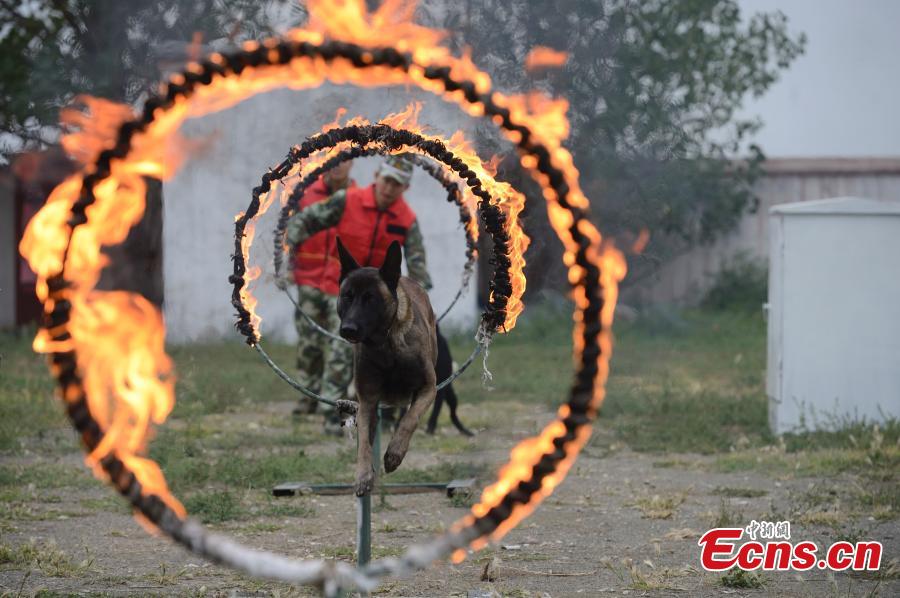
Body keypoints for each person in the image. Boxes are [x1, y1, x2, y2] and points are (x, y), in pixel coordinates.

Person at [285, 155, 433, 427]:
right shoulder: (348, 200)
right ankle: (328, 410)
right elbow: (305, 221)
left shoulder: (406, 219)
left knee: (365, 350)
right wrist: (285, 252)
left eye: (397, 185)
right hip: (339, 288)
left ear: (405, 188)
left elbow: (417, 262)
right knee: (328, 347)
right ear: (377, 176)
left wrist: (422, 300)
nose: (390, 189)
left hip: (376, 302)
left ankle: (354, 411)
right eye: (387, 181)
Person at [285, 160, 355, 431]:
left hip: (341, 283)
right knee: (309, 342)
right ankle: (308, 397)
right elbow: (289, 233)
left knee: (343, 342)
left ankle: (336, 398)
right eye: (334, 161)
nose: (338, 167)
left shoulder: (355, 197)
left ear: (350, 165)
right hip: (309, 279)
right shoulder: (306, 192)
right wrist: (288, 269)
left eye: (344, 162)